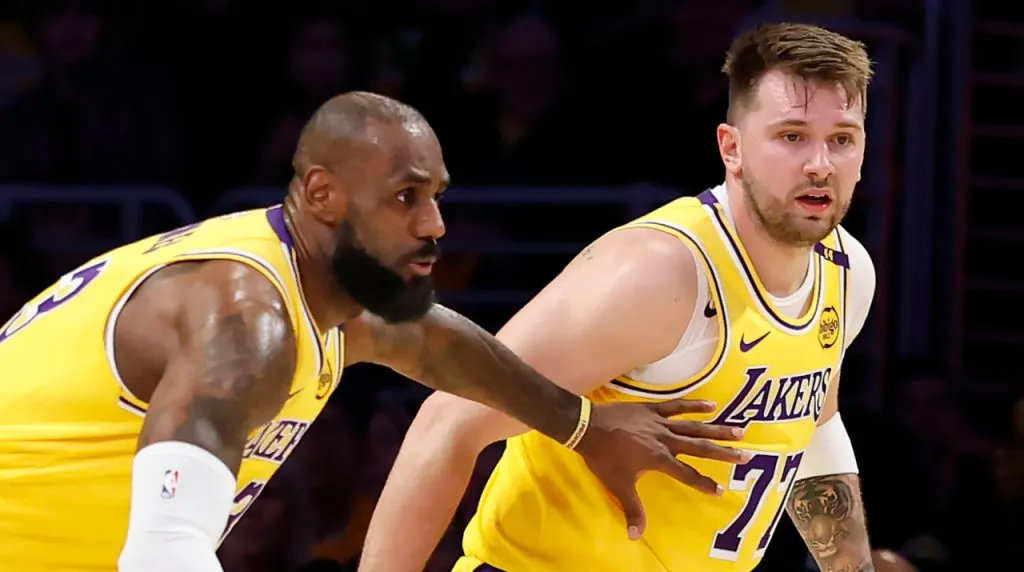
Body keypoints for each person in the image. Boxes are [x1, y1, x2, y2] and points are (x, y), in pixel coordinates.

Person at [0, 91, 749, 572]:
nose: (435, 225)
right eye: (404, 199)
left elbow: (436, 343)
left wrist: (580, 424)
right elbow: (162, 553)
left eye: (437, 197)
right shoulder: (245, 321)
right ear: (323, 195)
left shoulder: (320, 287)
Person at [361, 22, 879, 572]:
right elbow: (447, 423)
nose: (819, 164)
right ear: (732, 148)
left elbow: (817, 422)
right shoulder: (658, 275)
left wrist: (852, 566)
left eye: (841, 138)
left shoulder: (847, 273)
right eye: (792, 136)